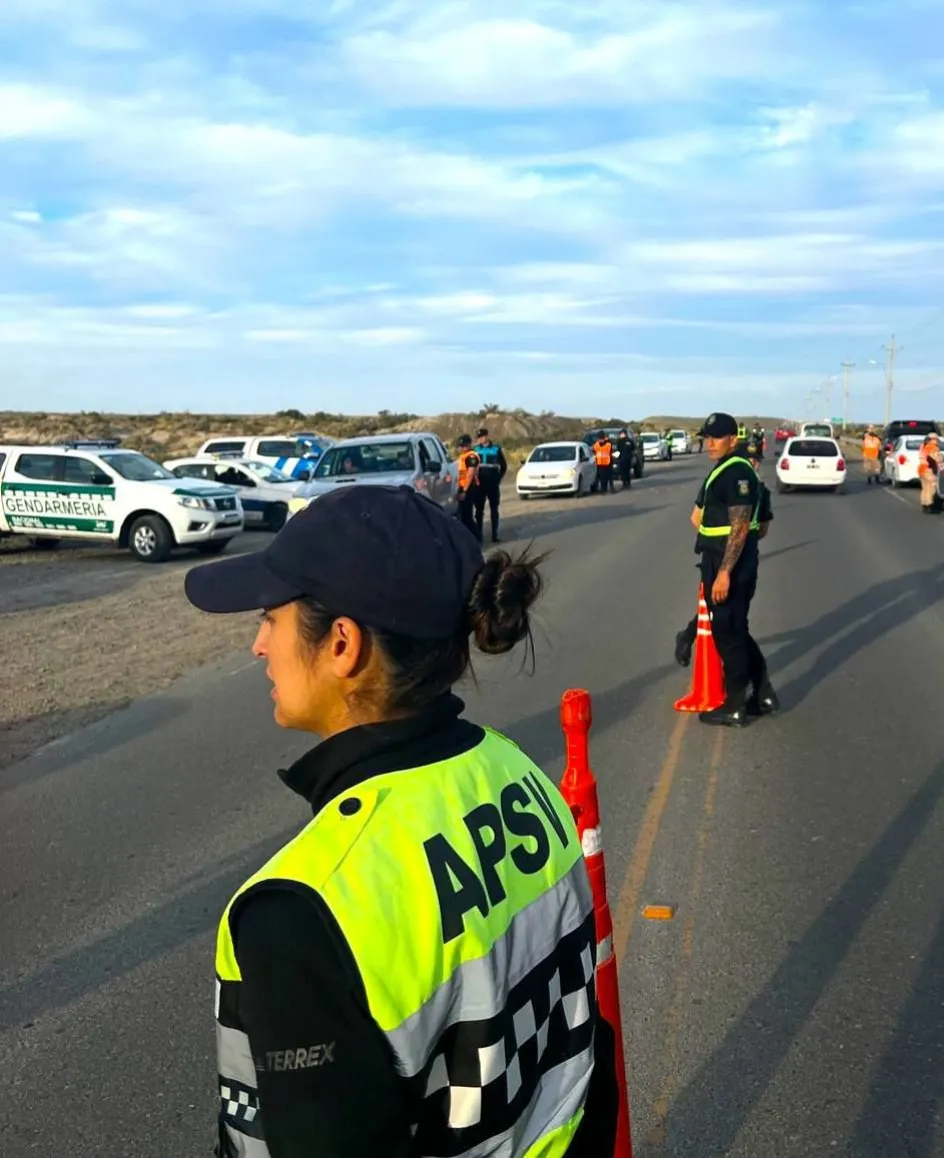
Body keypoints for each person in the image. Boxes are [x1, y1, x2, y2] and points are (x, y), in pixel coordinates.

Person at [183, 485, 618, 1158]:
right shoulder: (517, 772)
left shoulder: (300, 912)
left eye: (271, 617)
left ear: (343, 644)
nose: (258, 644)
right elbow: (583, 1036)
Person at [685, 412, 777, 726]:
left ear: (732, 440)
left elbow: (740, 525)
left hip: (729, 564)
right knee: (737, 629)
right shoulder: (725, 469)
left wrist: (725, 571)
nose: (710, 443)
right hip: (724, 558)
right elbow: (758, 528)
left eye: (717, 438)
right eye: (707, 438)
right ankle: (763, 693)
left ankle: (735, 703)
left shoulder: (736, 473)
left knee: (727, 633)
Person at [675, 454, 773, 667]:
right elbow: (762, 530)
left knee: (730, 621)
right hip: (733, 559)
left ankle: (752, 680)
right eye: (751, 459)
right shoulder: (753, 486)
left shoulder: (739, 483)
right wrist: (729, 542)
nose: (753, 464)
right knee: (728, 620)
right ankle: (752, 681)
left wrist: (725, 541)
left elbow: (696, 518)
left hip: (730, 558)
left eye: (756, 460)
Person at [472, 427, 508, 543]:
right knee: (479, 511)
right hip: (479, 485)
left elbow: (504, 466)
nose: (481, 439)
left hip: (493, 484)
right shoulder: (475, 450)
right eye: (479, 437)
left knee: (494, 509)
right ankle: (479, 535)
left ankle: (494, 535)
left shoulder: (496, 449)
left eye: (483, 437)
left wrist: (498, 478)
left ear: (487, 436)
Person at [454, 434, 482, 540]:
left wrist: (464, 491)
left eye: (464, 446)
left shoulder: (471, 456)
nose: (462, 448)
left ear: (469, 444)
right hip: (463, 487)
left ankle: (477, 538)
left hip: (469, 488)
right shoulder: (463, 456)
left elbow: (470, 474)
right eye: (461, 446)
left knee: (467, 516)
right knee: (463, 515)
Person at [918, 431, 944, 512]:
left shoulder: (923, 446)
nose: (937, 441)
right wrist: (942, 458)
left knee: (925, 488)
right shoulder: (933, 448)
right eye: (936, 439)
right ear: (933, 440)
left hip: (921, 469)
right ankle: (929, 505)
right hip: (929, 470)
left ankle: (924, 504)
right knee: (931, 488)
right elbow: (937, 458)